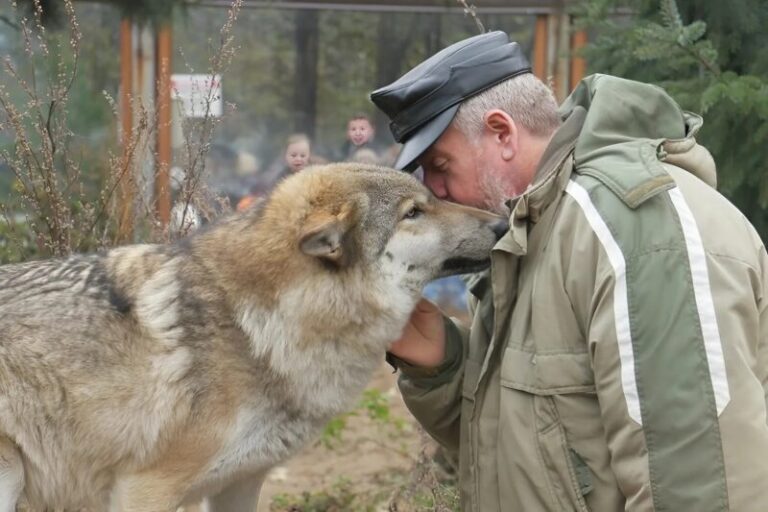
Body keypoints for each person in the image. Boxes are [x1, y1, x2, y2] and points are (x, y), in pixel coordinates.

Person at [371, 31, 768, 511]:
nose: (435, 190)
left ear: (502, 133)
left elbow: (697, 486)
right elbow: (526, 453)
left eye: (440, 164)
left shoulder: (634, 232)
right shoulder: (536, 230)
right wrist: (439, 366)